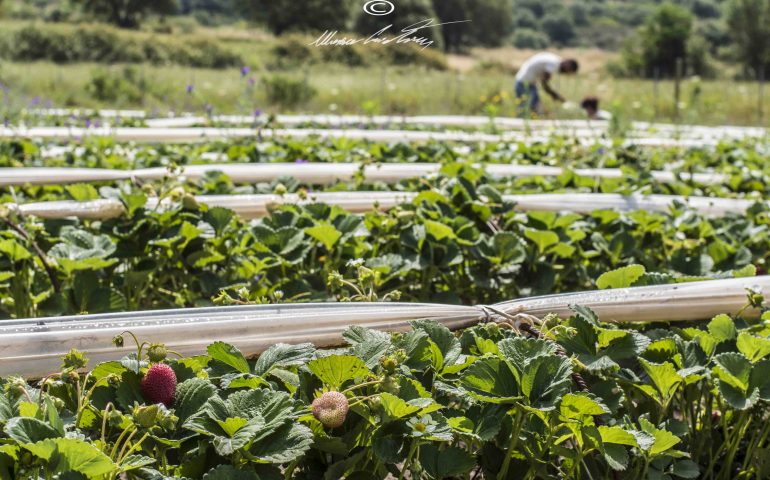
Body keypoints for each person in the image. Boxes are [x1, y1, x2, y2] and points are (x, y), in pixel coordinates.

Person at [514, 52, 579, 115]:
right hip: (523, 83)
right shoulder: (554, 64)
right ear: (568, 64)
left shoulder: (555, 60)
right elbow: (544, 83)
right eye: (568, 71)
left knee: (535, 108)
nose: (565, 73)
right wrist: (556, 95)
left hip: (528, 82)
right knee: (526, 110)